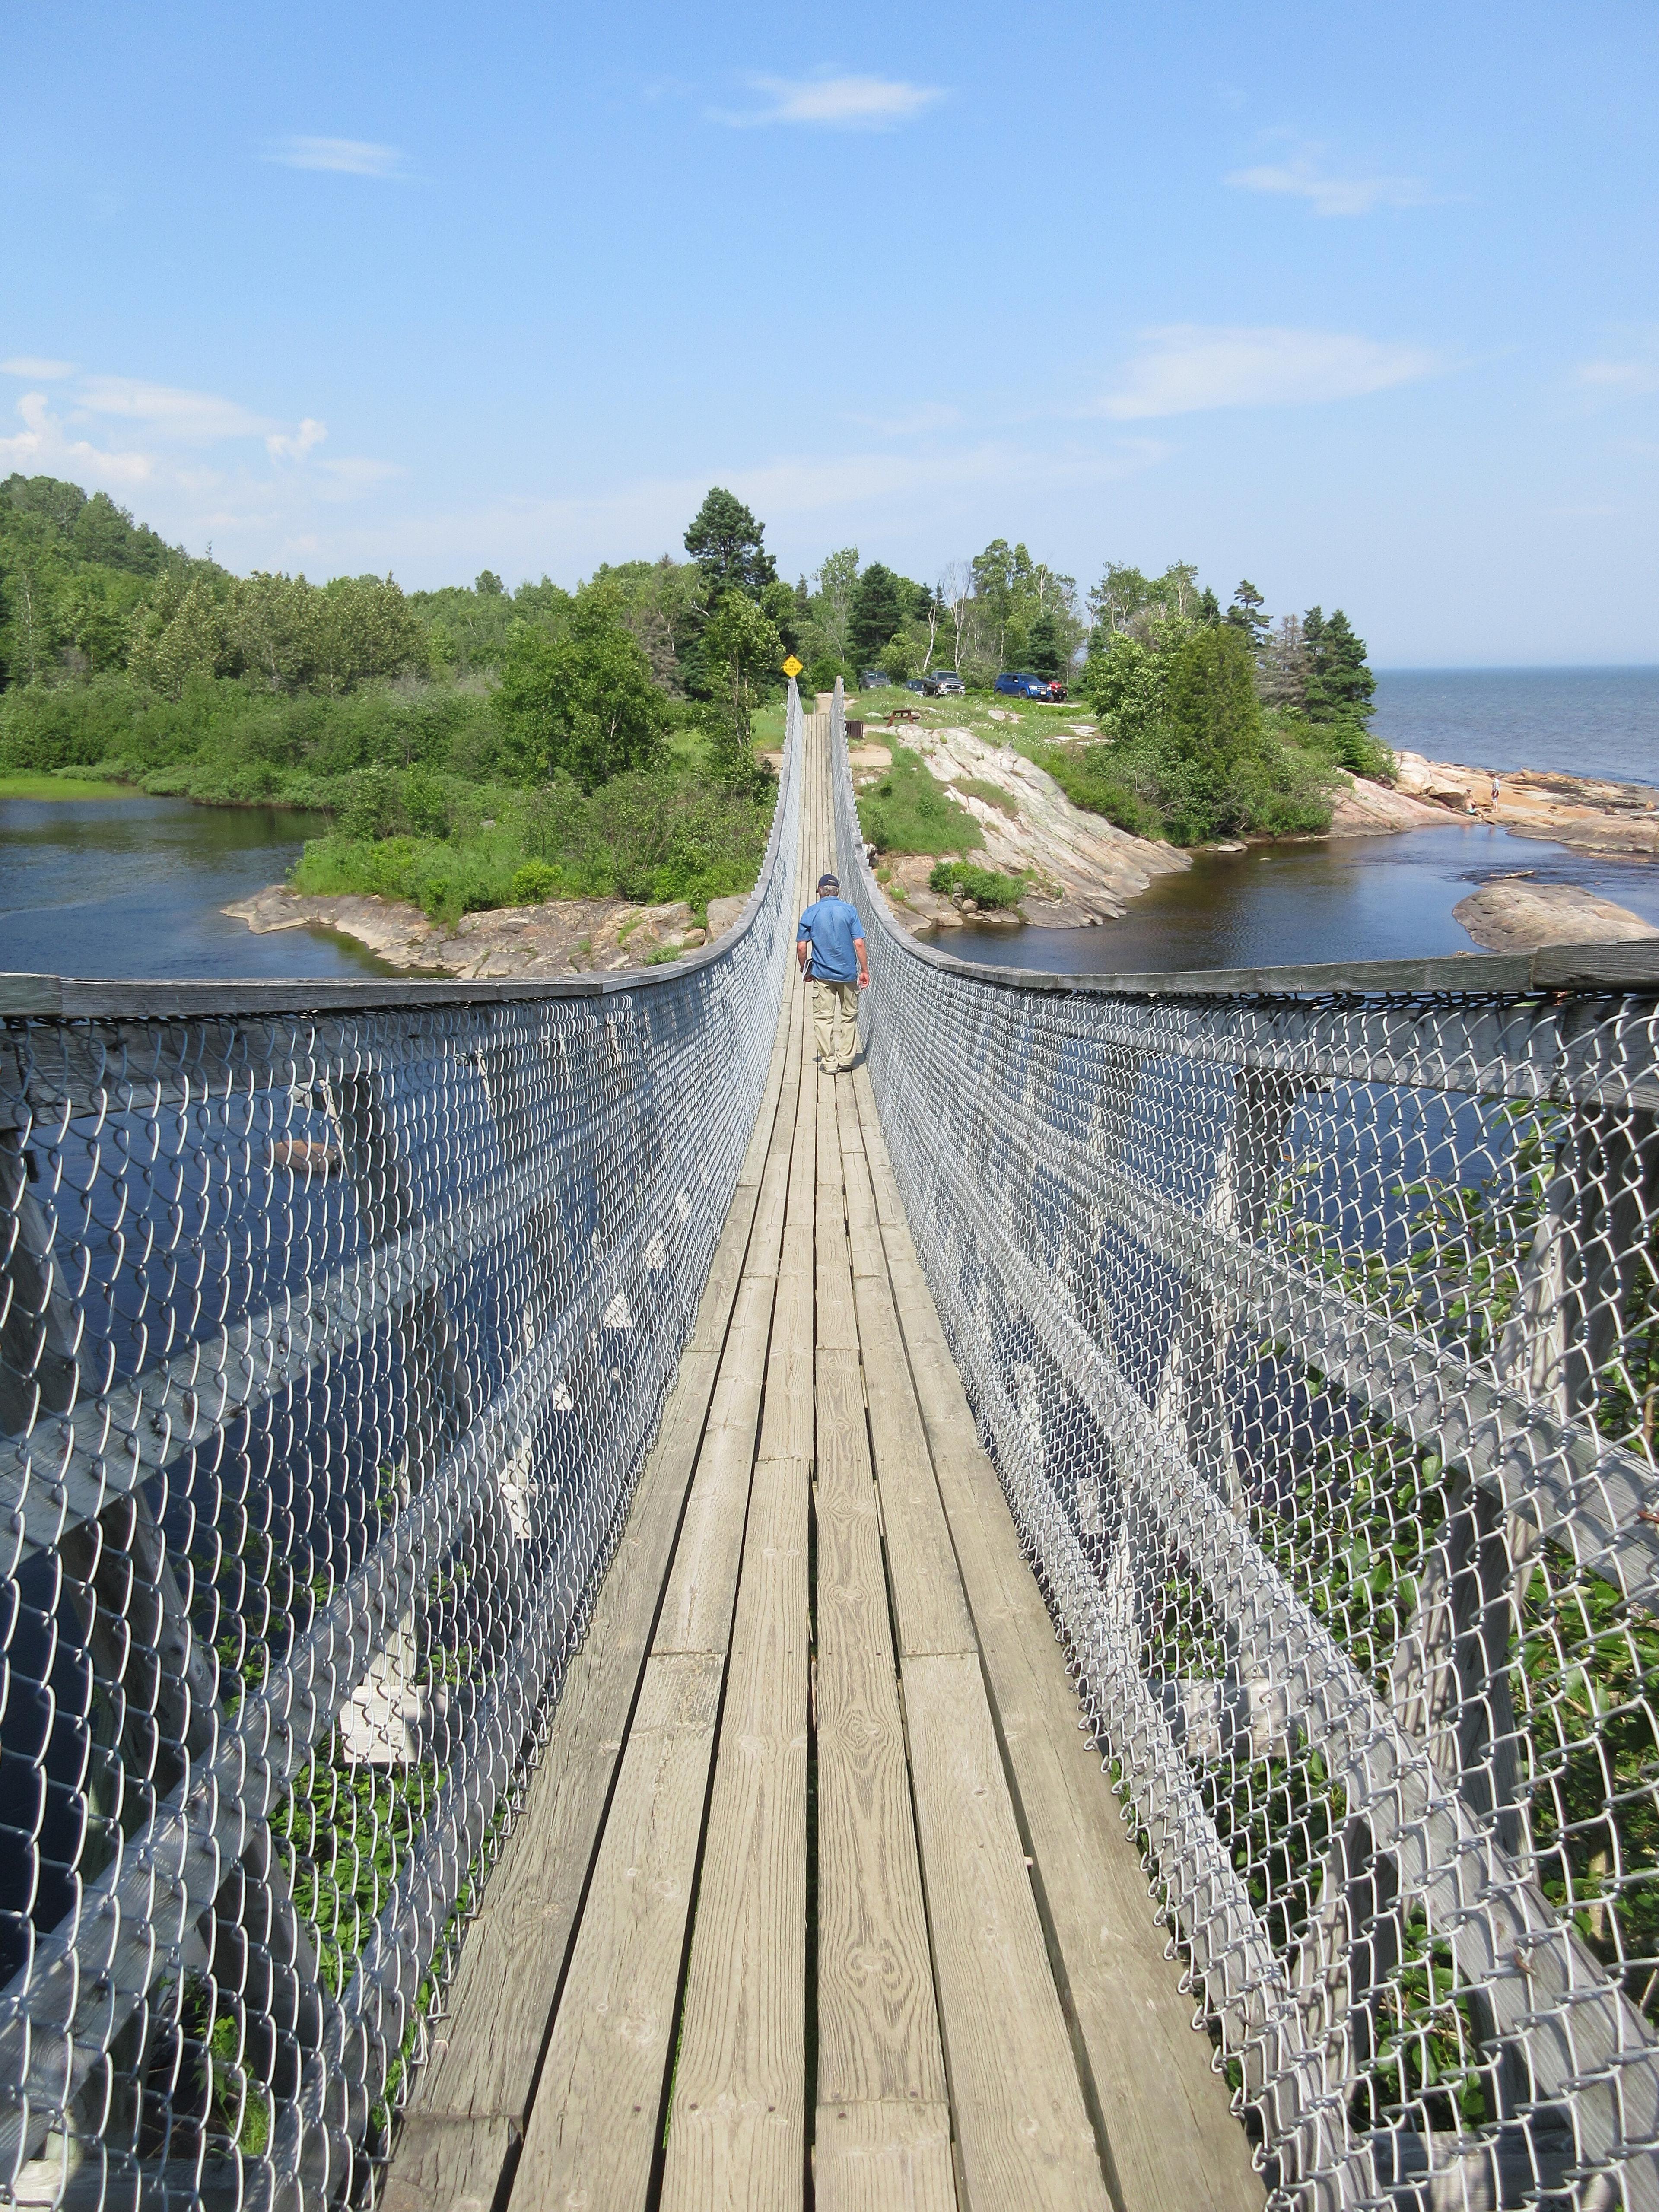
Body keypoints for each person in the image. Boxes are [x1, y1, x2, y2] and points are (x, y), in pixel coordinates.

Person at [796, 871, 869, 1073]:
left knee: (823, 1018)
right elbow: (859, 943)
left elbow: (802, 947)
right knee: (849, 1016)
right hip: (848, 974)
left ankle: (829, 1061)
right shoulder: (850, 911)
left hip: (822, 974)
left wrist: (805, 969)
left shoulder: (810, 912)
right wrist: (864, 970)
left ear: (820, 891)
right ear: (837, 891)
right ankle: (846, 1060)